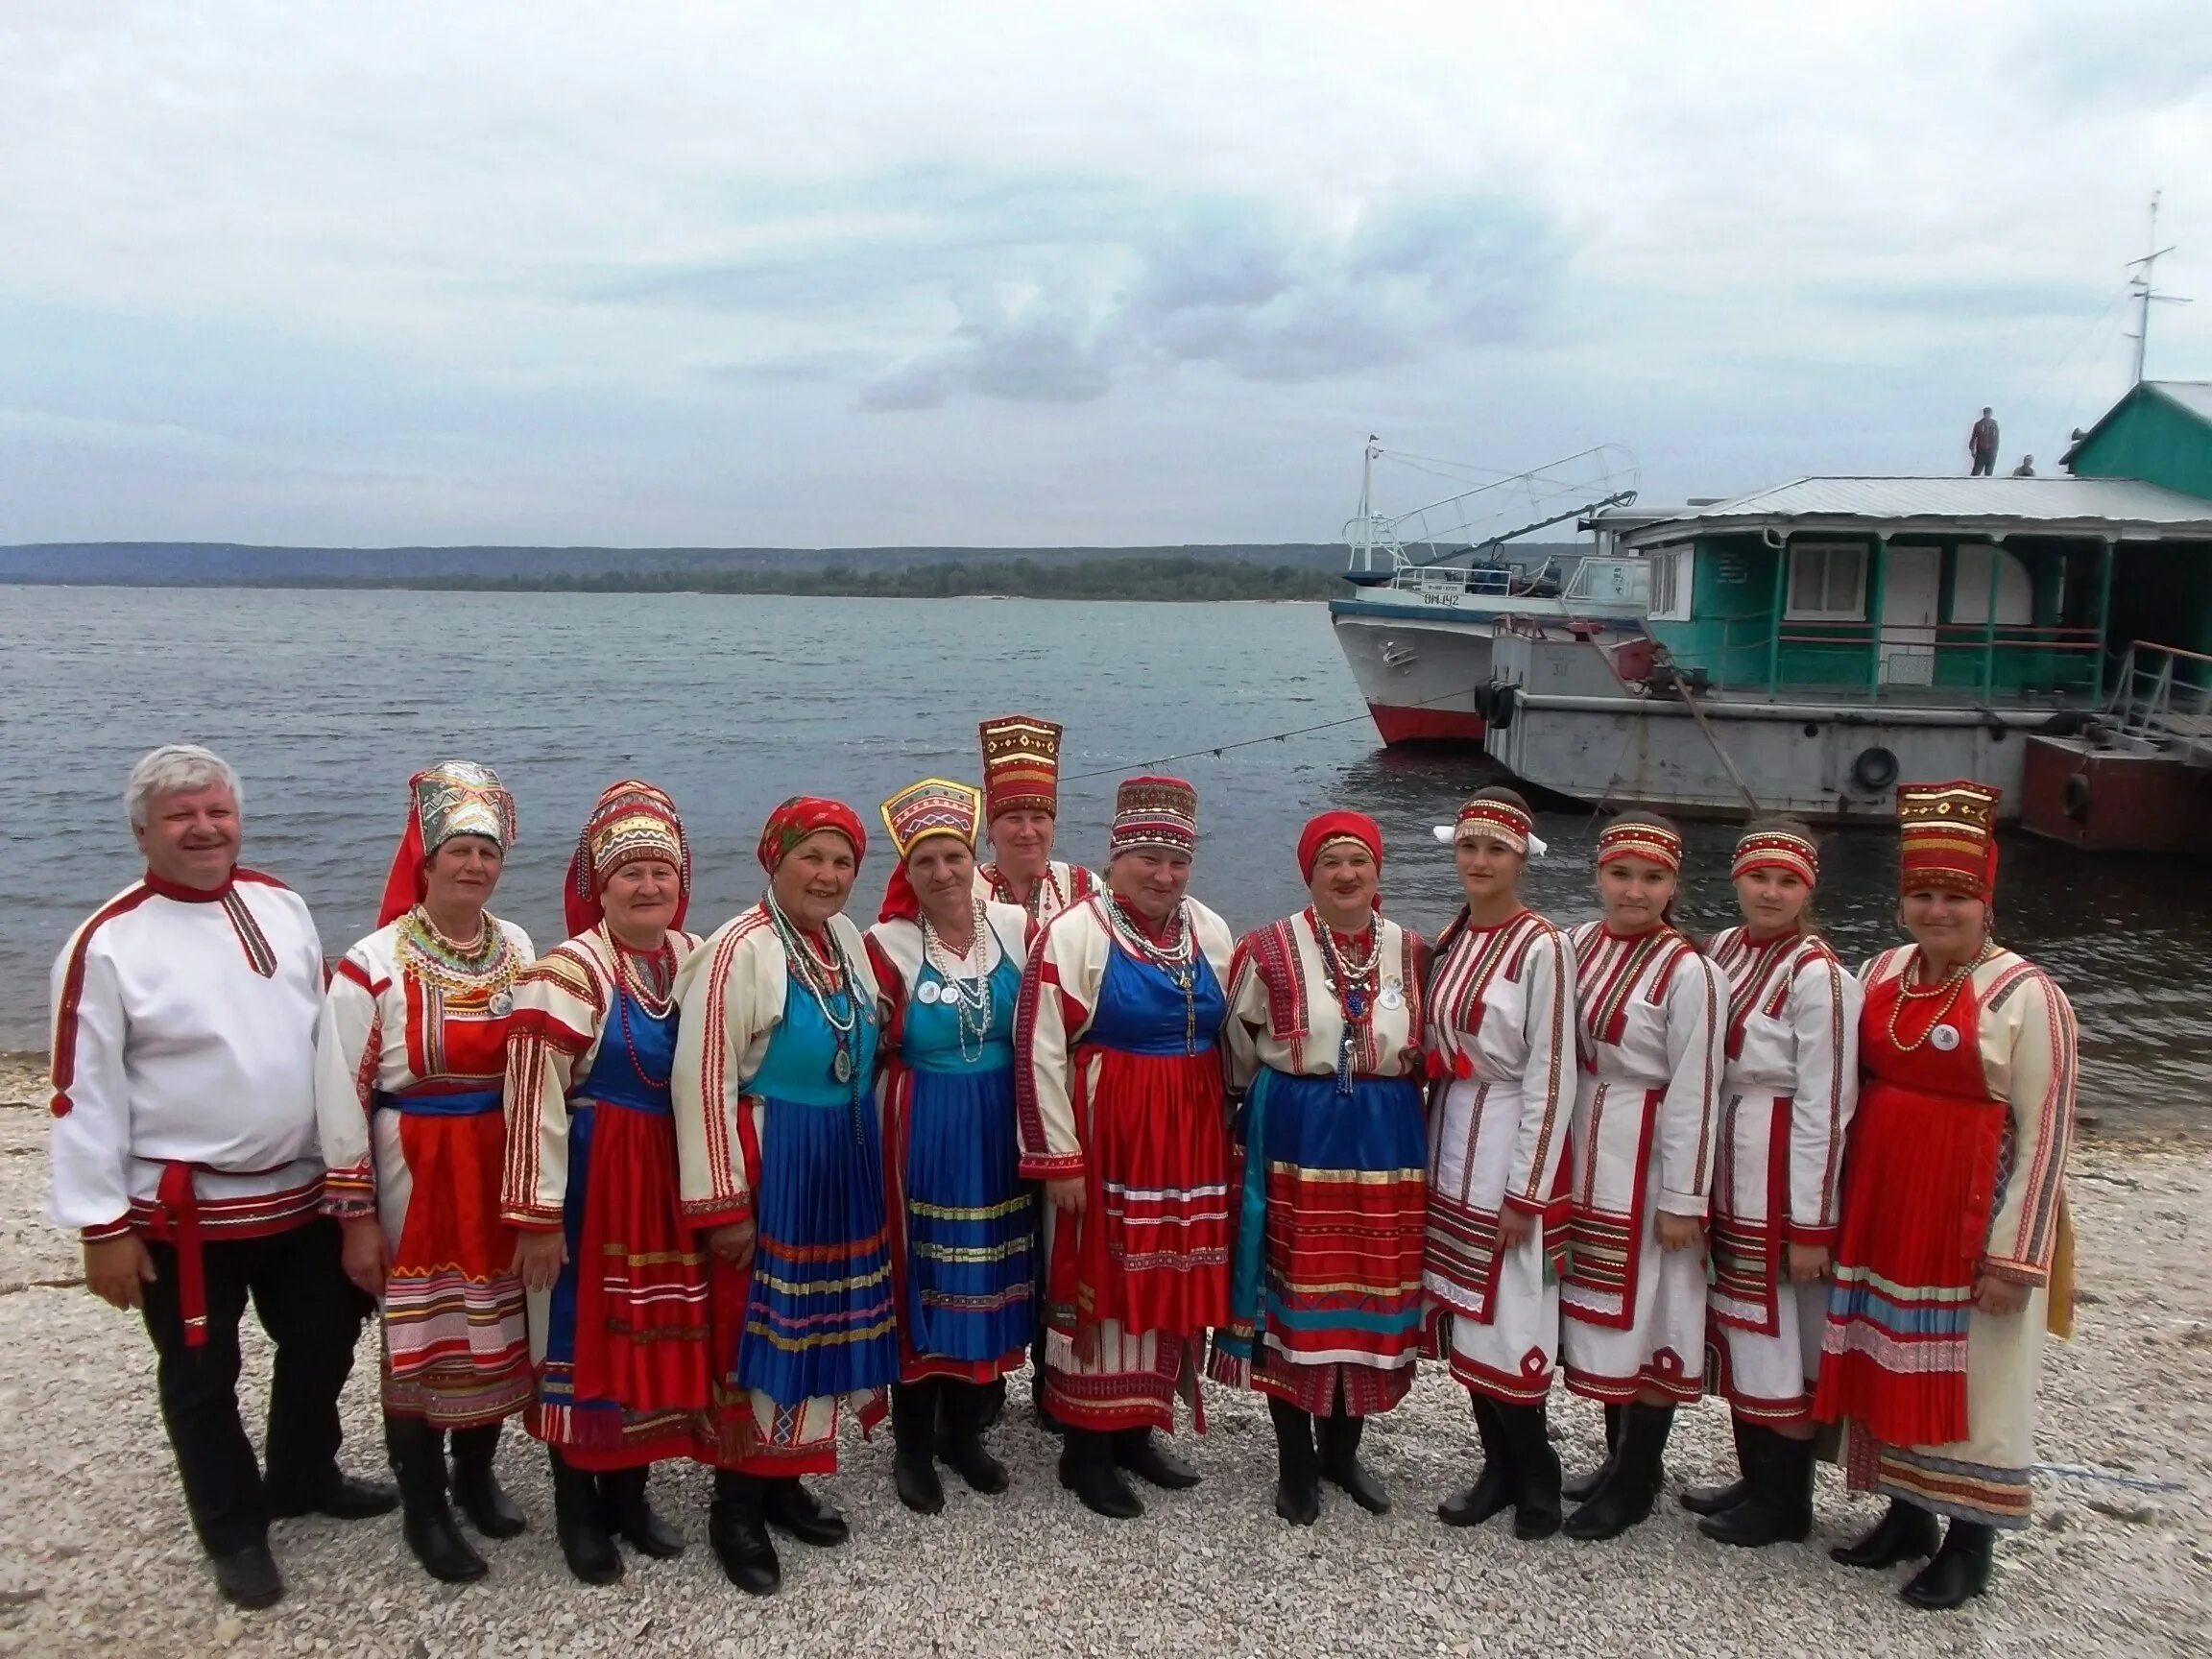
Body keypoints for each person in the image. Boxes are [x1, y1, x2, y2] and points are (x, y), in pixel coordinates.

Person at [46, 745, 393, 1609]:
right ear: (142, 832)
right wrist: (101, 1228)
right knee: (202, 1373)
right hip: (184, 1211)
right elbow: (78, 1093)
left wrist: (356, 1178)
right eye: (180, 816)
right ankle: (234, 1529)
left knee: (323, 1340)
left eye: (217, 812)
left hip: (303, 1189)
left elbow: (330, 1035)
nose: (203, 828)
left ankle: (304, 1475)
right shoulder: (107, 944)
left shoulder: (282, 904)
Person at [1815, 781, 2077, 1612]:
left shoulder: (2028, 996)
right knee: (1893, 1352)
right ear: (1901, 905)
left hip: (1973, 1212)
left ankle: (1972, 1541)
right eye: (1923, 895)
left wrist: (2017, 1255)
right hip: (1890, 1203)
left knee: (1978, 1372)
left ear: (1985, 900)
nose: (1938, 911)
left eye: (1955, 897)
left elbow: (2047, 1135)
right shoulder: (1883, 970)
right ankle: (1907, 1514)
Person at [315, 761, 536, 1584]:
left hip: (496, 1159)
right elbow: (338, 1088)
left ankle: (476, 1476)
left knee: (497, 1323)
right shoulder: (371, 962)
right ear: (427, 861)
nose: (474, 866)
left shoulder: (514, 945)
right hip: (416, 1162)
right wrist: (356, 1215)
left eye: (487, 852)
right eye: (459, 852)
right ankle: (424, 1507)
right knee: (421, 1337)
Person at [670, 798, 897, 1596]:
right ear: (775, 860)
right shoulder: (739, 950)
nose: (829, 877)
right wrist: (723, 1203)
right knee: (756, 1330)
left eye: (843, 863)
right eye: (813, 858)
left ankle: (785, 1478)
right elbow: (701, 1081)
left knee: (820, 1320)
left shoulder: (845, 942)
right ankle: (733, 1504)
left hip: (839, 1156)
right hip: (774, 1160)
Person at [501, 781, 707, 1583]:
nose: (649, 887)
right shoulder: (566, 972)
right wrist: (537, 1219)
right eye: (631, 874)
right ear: (601, 885)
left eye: (661, 872)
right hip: (594, 1182)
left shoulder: (690, 957)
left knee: (650, 1335)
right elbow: (531, 1102)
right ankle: (576, 1510)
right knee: (582, 1341)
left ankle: (629, 1494)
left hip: (667, 1176)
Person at [1015, 775, 1235, 1520]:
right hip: (1111, 1129)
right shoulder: (1076, 934)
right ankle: (1086, 1449)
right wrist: (1060, 1159)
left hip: (1190, 1132)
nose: (1164, 875)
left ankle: (1140, 1427)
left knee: (1169, 1272)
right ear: (1116, 857)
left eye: (1177, 861)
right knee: (1104, 1280)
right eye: (1147, 858)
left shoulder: (1207, 928)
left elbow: (1233, 1034)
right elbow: (1040, 1050)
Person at [1214, 811, 1429, 1526]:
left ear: (1377, 872)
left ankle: (1343, 1451)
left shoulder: (1413, 952)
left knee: (1370, 1286)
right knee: (1294, 1292)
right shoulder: (1268, 948)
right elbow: (1236, 1047)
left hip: (1386, 1136)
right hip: (1297, 1131)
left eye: (1358, 862)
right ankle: (1295, 1462)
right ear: (1309, 874)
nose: (1345, 875)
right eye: (1331, 863)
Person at [1681, 819, 1862, 1548]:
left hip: (1781, 1169)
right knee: (1740, 1327)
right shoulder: (1722, 950)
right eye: (1760, 877)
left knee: (1781, 1335)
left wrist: (1812, 1223)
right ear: (1738, 879)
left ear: (1807, 891)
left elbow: (1829, 1104)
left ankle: (1785, 1502)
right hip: (1729, 1158)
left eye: (1787, 882)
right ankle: (1754, 1476)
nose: (1771, 892)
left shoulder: (1820, 977)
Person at [865, 779, 1036, 1514]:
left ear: (974, 860)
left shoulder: (1015, 927)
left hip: (1000, 1122)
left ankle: (966, 1435)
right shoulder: (885, 945)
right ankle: (913, 1446)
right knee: (926, 1277)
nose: (942, 873)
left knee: (996, 1270)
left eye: (953, 857)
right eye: (925, 861)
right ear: (906, 871)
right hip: (925, 1124)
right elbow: (863, 1047)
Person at [1556, 811, 1724, 1541]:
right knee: (1599, 1306)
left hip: (1651, 1156)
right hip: (1588, 1145)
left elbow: (1697, 1086)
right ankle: (1617, 1453)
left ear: (1672, 885)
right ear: (1598, 876)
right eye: (1621, 874)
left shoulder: (1693, 972)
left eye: (1651, 878)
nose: (1633, 891)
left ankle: (1638, 1475)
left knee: (1656, 1311)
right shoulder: (1575, 944)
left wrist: (1684, 1197)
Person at [1420, 788, 1576, 1543]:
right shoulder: (1453, 935)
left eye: (1496, 851)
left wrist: (1529, 1188)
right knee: (1465, 1309)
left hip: (1507, 1134)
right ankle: (1497, 1465)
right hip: (1453, 1130)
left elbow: (1552, 1071)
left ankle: (1535, 1470)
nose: (1480, 862)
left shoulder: (1543, 945)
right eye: (1470, 848)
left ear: (1521, 859)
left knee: (1512, 1309)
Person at [974, 714, 1098, 923]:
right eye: (1014, 819)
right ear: (991, 829)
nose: (1027, 831)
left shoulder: (1084, 886)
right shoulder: (967, 889)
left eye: (1039, 818)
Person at [1968, 408, 1999, 476]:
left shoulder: (1994, 424)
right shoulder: (1978, 424)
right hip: (1981, 452)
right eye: (1986, 413)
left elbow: (1997, 439)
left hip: (1991, 452)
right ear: (1984, 414)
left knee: (1989, 473)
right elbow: (1973, 438)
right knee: (1976, 472)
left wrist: (1995, 451)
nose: (1987, 415)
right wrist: (1972, 451)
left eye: (1989, 413)